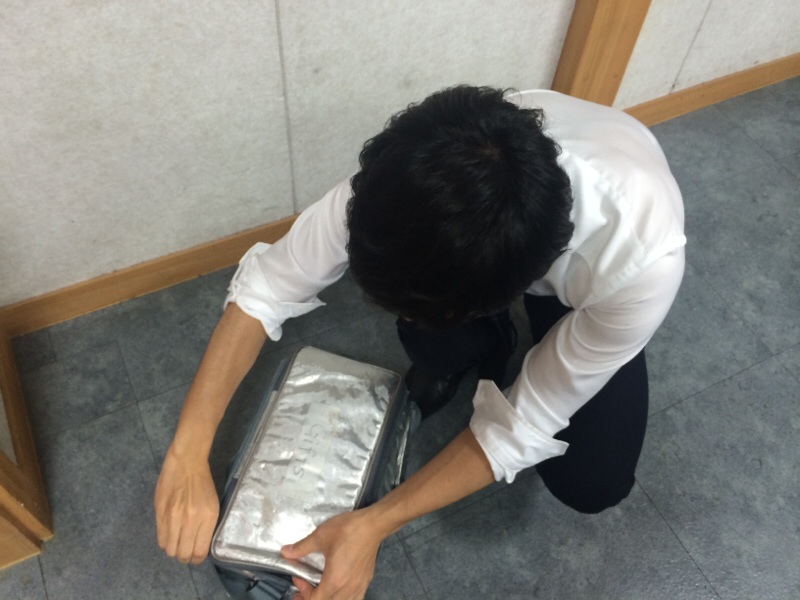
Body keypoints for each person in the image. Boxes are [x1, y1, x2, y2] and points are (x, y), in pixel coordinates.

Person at [155, 85, 685, 600]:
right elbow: (269, 286)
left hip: (594, 293)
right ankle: (484, 343)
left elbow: (523, 423)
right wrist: (187, 452)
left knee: (591, 481)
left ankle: (528, 332)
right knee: (434, 344)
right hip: (507, 253)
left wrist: (374, 524)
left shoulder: (642, 267)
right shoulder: (407, 176)